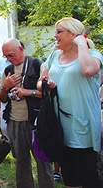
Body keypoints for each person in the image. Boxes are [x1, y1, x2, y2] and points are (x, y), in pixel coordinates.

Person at [37, 17, 103, 187]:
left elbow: (88, 70)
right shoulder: (54, 56)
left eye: (59, 32)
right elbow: (40, 82)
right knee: (69, 176)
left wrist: (82, 44)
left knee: (88, 176)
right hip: (59, 127)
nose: (55, 35)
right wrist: (46, 83)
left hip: (82, 127)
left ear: (73, 33)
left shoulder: (93, 55)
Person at [0, 38, 54, 188]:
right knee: (21, 163)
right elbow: (2, 98)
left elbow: (47, 95)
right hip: (15, 121)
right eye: (6, 57)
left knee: (43, 162)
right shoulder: (7, 70)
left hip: (36, 122)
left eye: (11, 55)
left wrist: (27, 92)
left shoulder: (38, 65)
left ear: (21, 49)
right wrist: (6, 87)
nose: (10, 59)